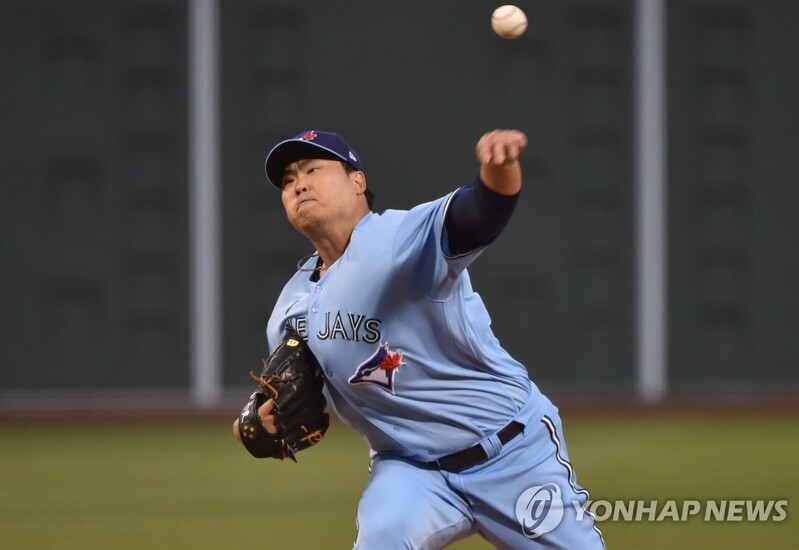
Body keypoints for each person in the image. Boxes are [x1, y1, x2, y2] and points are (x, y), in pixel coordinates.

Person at [233, 129, 605, 549]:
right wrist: (253, 421)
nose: (298, 183)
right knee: (384, 536)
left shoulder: (399, 238)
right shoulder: (290, 306)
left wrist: (498, 169)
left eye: (313, 169)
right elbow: (284, 396)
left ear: (357, 181)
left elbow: (480, 213)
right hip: (410, 471)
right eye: (288, 180)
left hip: (512, 453)